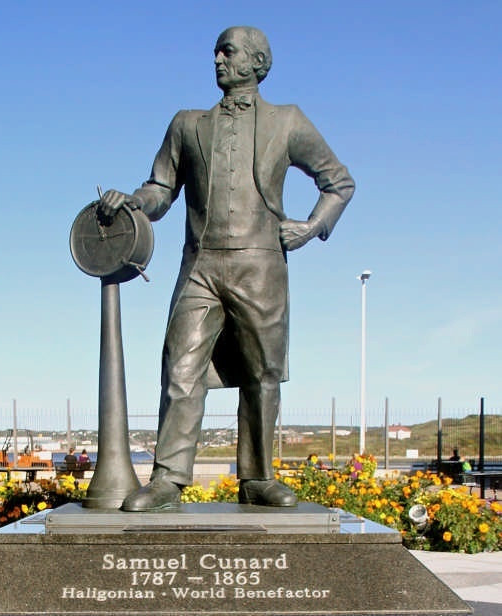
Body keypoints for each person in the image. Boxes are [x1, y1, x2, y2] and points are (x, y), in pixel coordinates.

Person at [100, 26, 354, 512]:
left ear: (257, 62)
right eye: (216, 51)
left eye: (228, 51)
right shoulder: (187, 124)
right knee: (180, 368)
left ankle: (257, 478)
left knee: (263, 374)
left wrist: (311, 227)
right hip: (200, 265)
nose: (218, 59)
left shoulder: (288, 120)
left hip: (261, 266)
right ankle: (168, 478)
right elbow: (161, 189)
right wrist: (133, 202)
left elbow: (338, 182)